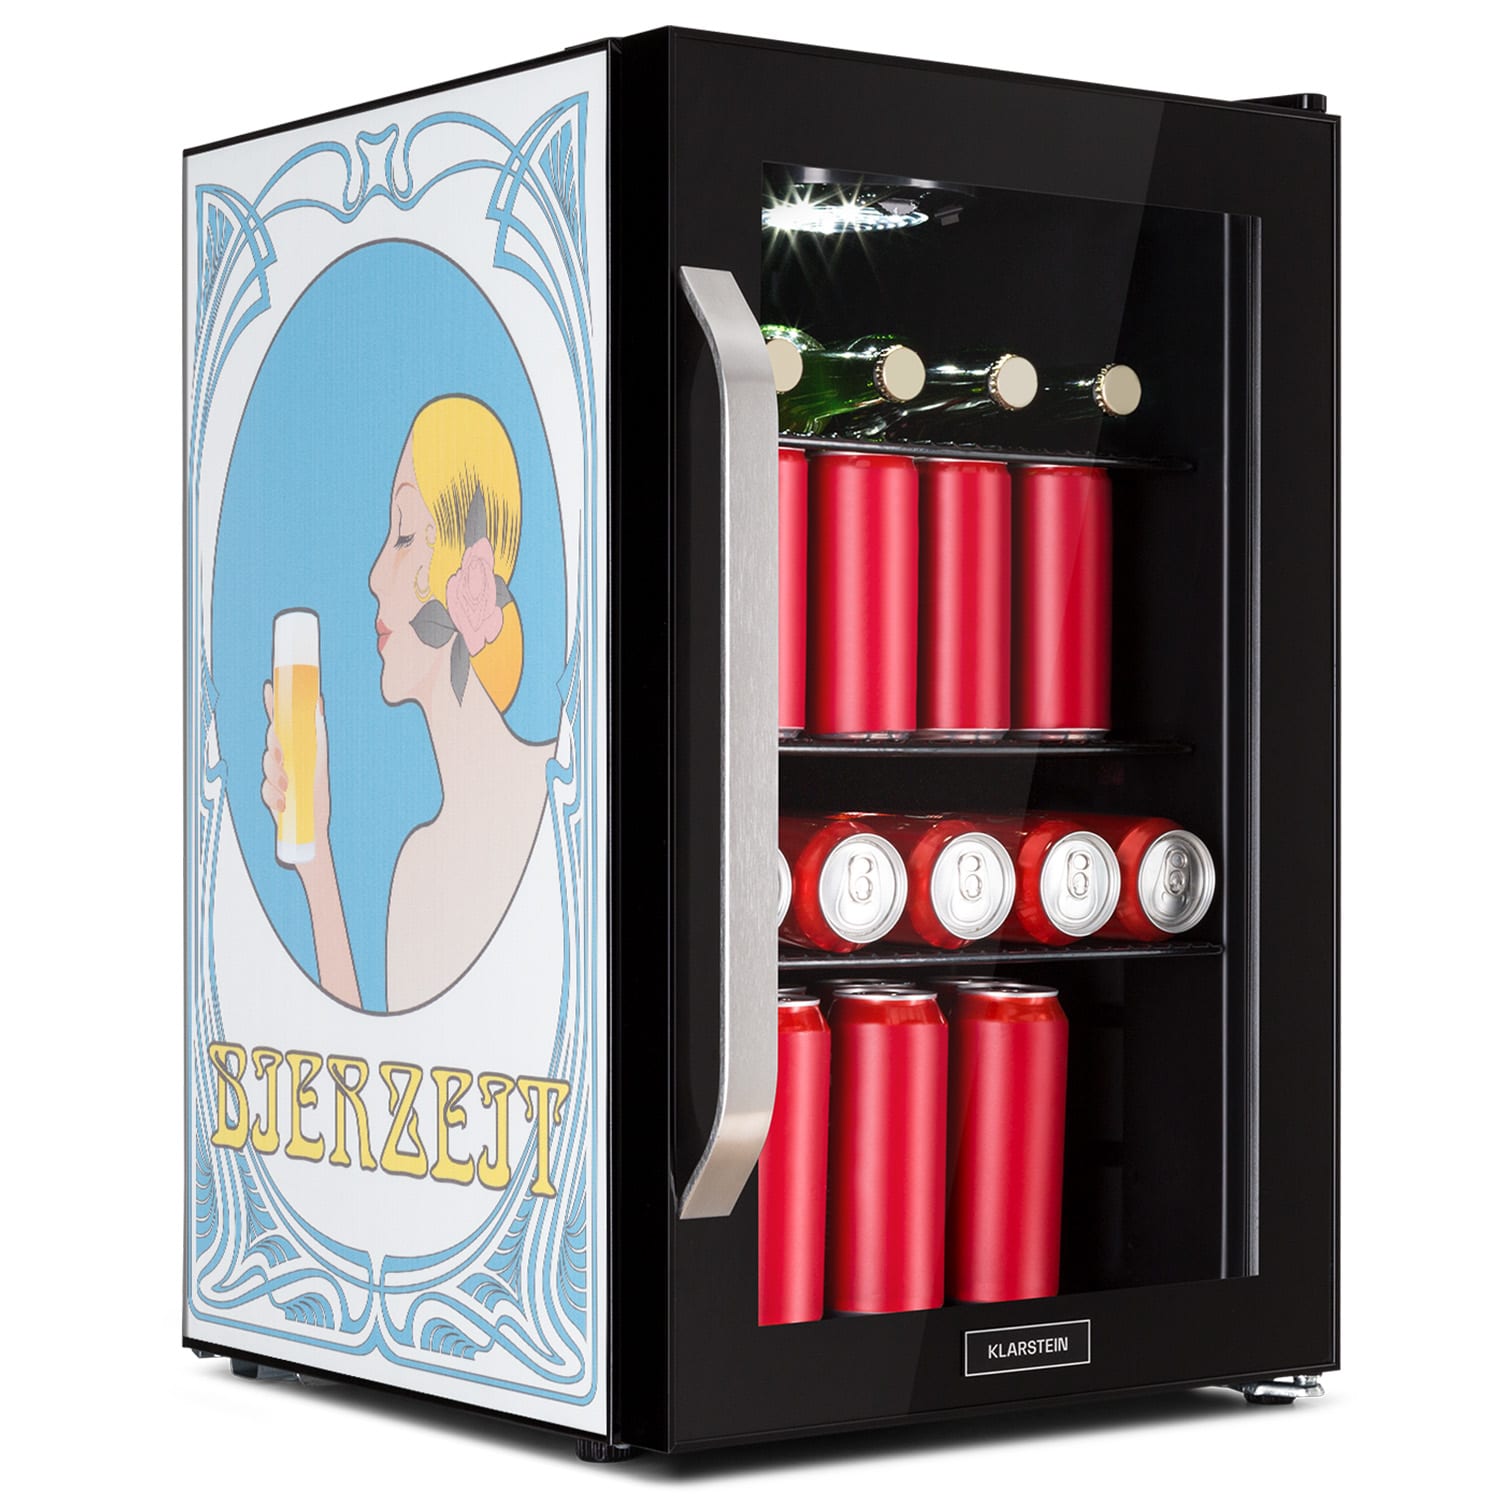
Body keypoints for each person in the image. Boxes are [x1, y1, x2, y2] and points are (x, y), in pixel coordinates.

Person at [260, 395, 556, 1010]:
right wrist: (315, 859)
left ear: (466, 570)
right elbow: (371, 1060)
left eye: (402, 535)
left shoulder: (568, 795)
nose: (374, 575)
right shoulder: (420, 872)